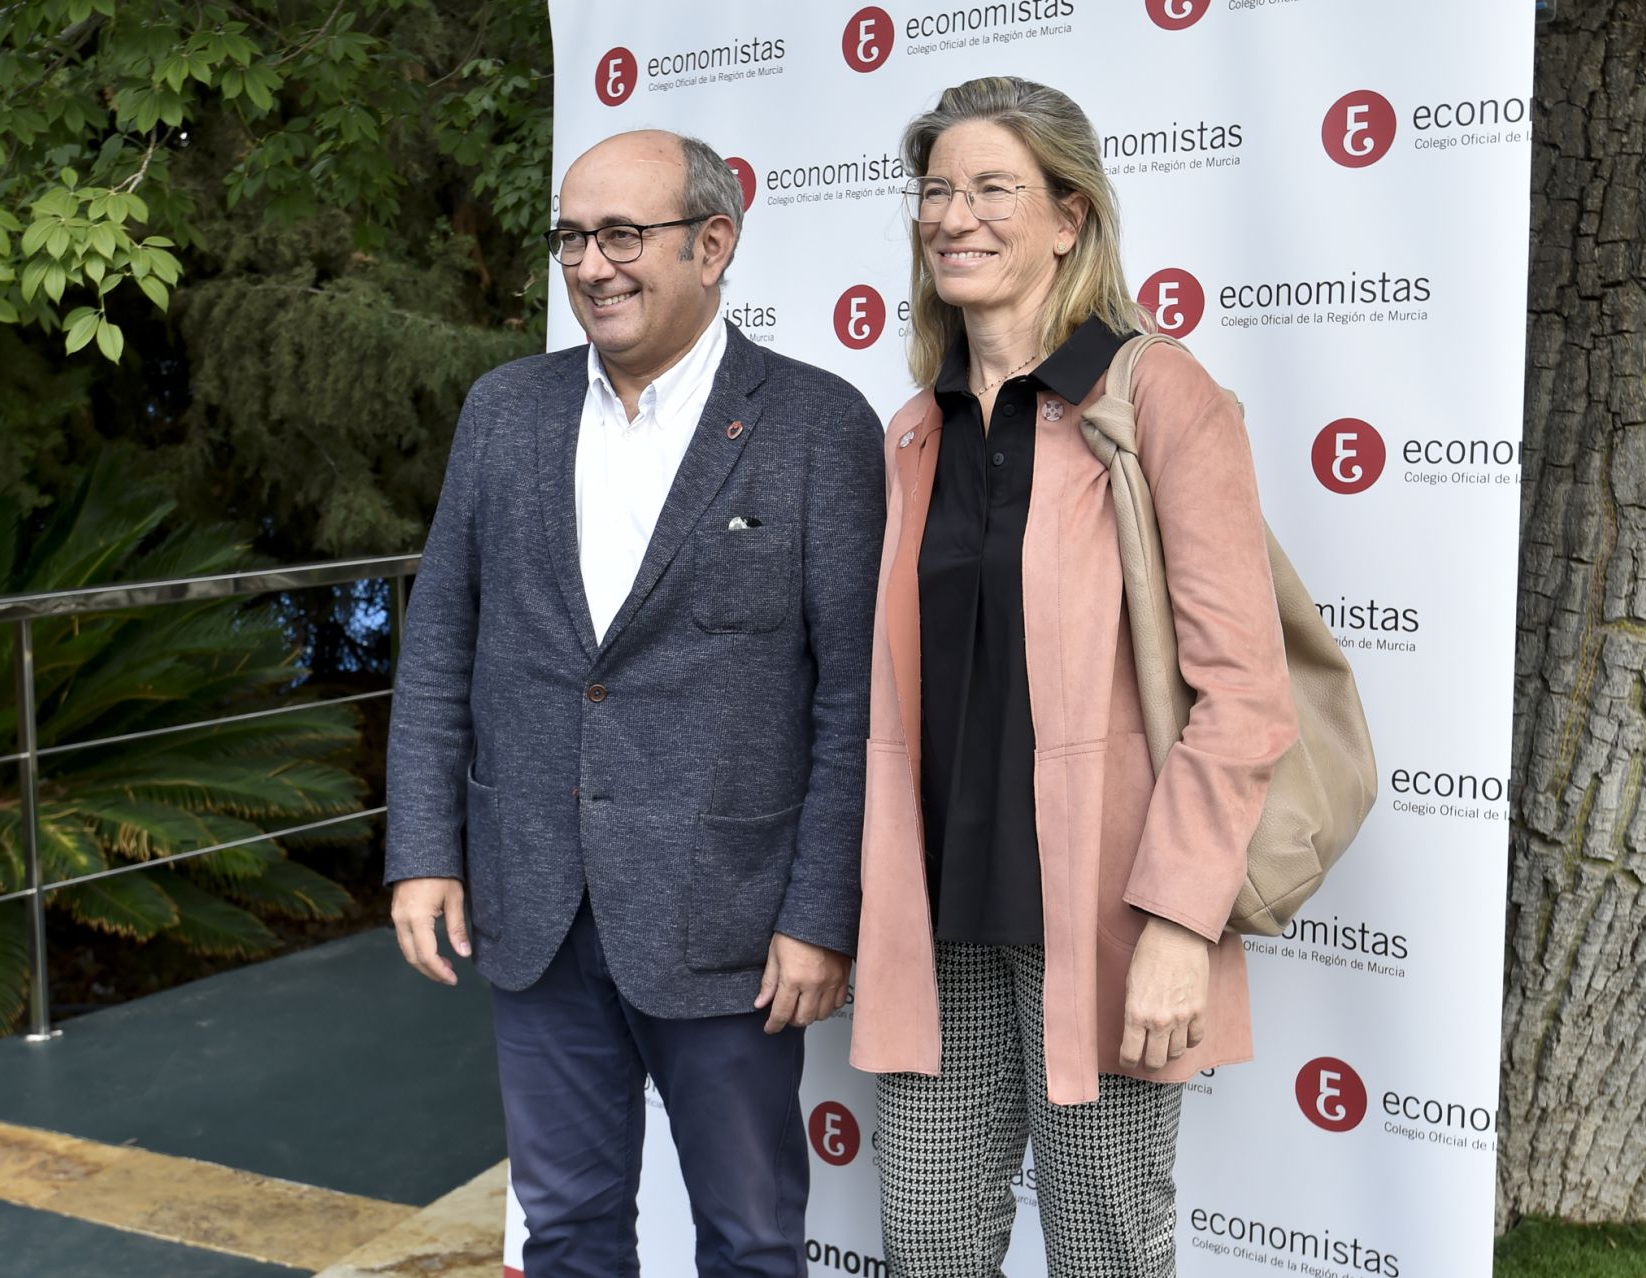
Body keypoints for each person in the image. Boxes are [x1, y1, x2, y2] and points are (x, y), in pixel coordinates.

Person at [385, 129, 885, 1278]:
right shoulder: (504, 413)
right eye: (572, 236)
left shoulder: (818, 427)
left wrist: (819, 913)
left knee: (752, 1240)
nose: (592, 264)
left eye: (623, 235)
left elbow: (852, 698)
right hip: (535, 906)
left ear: (713, 245)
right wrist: (423, 851)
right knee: (563, 1232)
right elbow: (442, 647)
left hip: (732, 924)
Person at [848, 78, 1300, 1276]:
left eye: (994, 189)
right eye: (937, 191)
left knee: (1106, 1250)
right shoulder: (914, 430)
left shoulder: (1155, 396)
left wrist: (1177, 924)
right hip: (936, 919)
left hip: (1103, 918)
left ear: (1069, 217)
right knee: (927, 1248)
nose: (955, 216)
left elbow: (1245, 693)